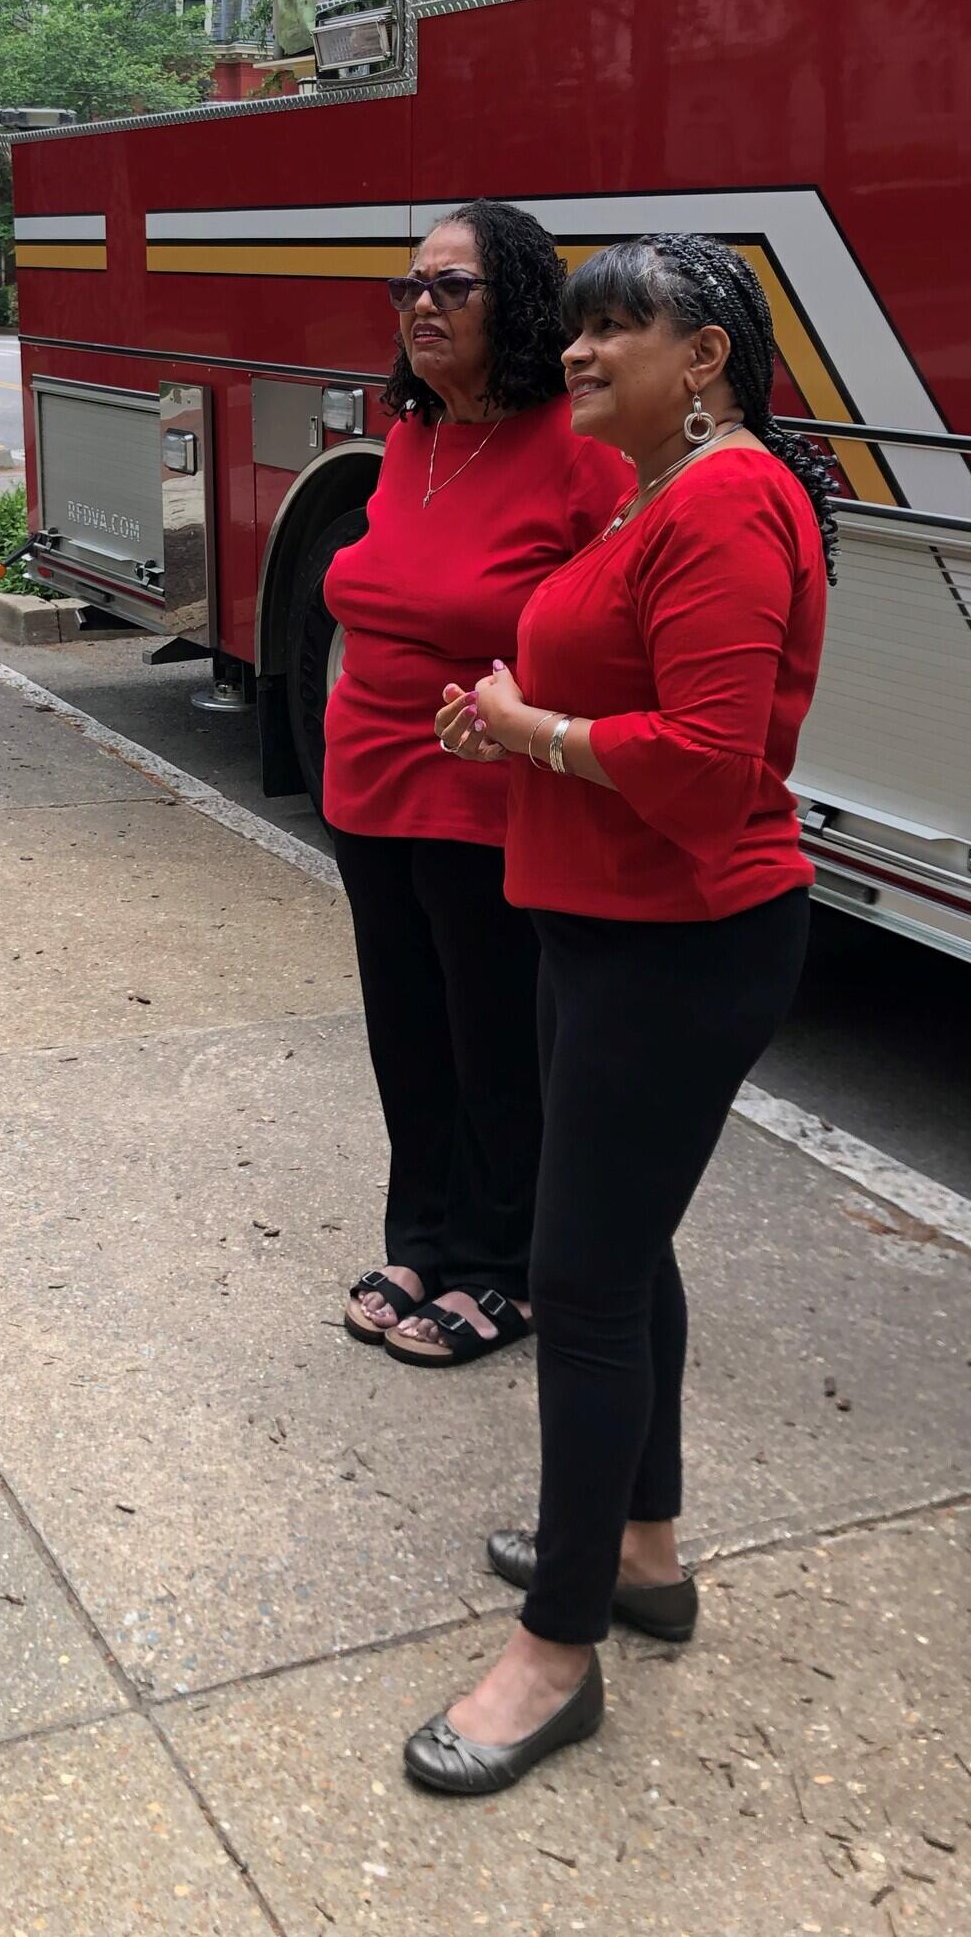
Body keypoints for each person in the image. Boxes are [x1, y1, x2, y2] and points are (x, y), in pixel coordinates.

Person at [406, 234, 837, 1796]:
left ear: (705, 357)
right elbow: (622, 705)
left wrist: (539, 725)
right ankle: (639, 1550)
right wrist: (515, 733)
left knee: (574, 1283)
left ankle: (555, 1649)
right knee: (620, 1253)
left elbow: (712, 761)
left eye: (616, 329)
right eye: (573, 329)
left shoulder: (726, 496)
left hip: (682, 944)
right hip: (603, 932)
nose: (577, 353)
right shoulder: (654, 493)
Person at [328, 203, 627, 1369]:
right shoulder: (412, 436)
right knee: (406, 1031)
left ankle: (504, 1265)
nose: (421, 310)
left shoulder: (577, 446)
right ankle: (424, 1238)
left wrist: (534, 718)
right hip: (367, 781)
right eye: (408, 289)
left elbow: (615, 624)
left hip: (486, 796)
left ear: (516, 300)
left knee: (493, 1038)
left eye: (450, 287)